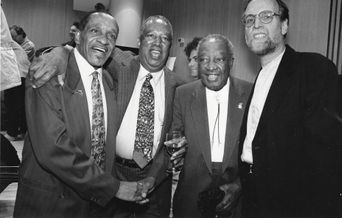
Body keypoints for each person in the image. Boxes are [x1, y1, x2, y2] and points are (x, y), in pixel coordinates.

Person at [27, 15, 187, 217]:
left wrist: (155, 176)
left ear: (170, 45)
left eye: (164, 38)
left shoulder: (181, 88)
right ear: (139, 41)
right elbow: (83, 51)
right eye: (151, 36)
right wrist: (60, 52)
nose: (157, 43)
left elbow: (174, 141)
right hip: (112, 175)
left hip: (155, 185)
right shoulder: (118, 65)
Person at [13, 11, 145, 218]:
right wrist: (113, 188)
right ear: (77, 36)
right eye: (95, 31)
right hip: (51, 203)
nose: (104, 39)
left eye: (111, 36)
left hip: (93, 204)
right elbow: (52, 148)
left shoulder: (109, 81)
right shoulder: (49, 72)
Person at [239, 0, 339, 218]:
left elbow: (324, 161)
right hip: (253, 197)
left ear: (284, 25)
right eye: (249, 19)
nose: (256, 25)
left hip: (291, 205)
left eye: (266, 16)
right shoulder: (261, 77)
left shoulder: (313, 69)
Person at [170, 34, 251, 217]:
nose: (211, 66)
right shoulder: (182, 94)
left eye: (219, 59)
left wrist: (240, 184)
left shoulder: (250, 93)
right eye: (203, 59)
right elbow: (173, 139)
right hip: (191, 201)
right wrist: (174, 151)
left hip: (236, 200)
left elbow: (260, 151)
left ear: (231, 61)